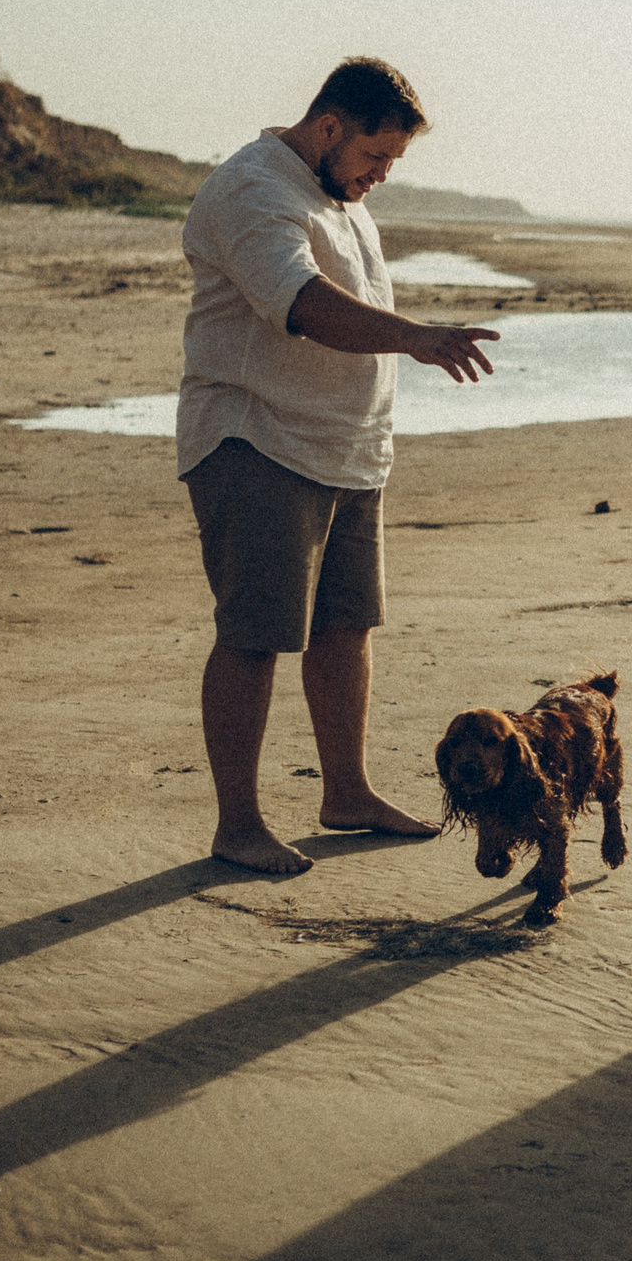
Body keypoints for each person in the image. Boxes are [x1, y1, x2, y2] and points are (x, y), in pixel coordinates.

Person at [176, 57, 501, 875]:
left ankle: (346, 792)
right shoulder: (253, 189)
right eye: (375, 157)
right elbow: (304, 303)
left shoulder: (340, 197)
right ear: (329, 128)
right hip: (257, 440)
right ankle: (238, 824)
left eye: (393, 163)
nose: (381, 175)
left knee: (345, 625)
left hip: (347, 450)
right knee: (255, 634)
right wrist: (417, 336)